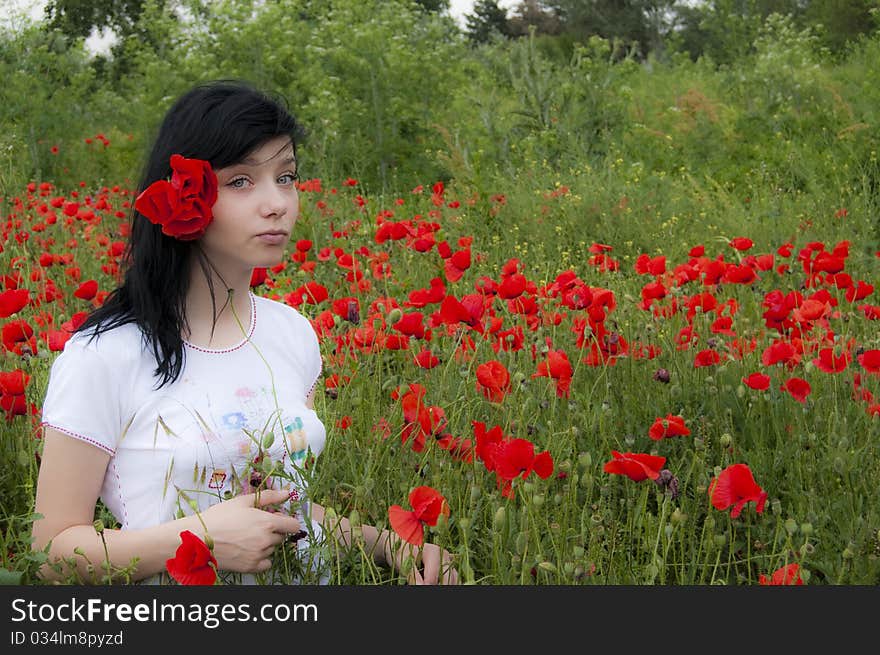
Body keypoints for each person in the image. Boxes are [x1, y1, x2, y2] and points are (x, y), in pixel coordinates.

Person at [31, 79, 458, 586]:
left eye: (287, 177)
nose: (277, 203)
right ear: (182, 196)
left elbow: (286, 507)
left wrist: (389, 544)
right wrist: (202, 540)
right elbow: (52, 552)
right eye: (241, 181)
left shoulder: (291, 333)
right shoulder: (107, 354)